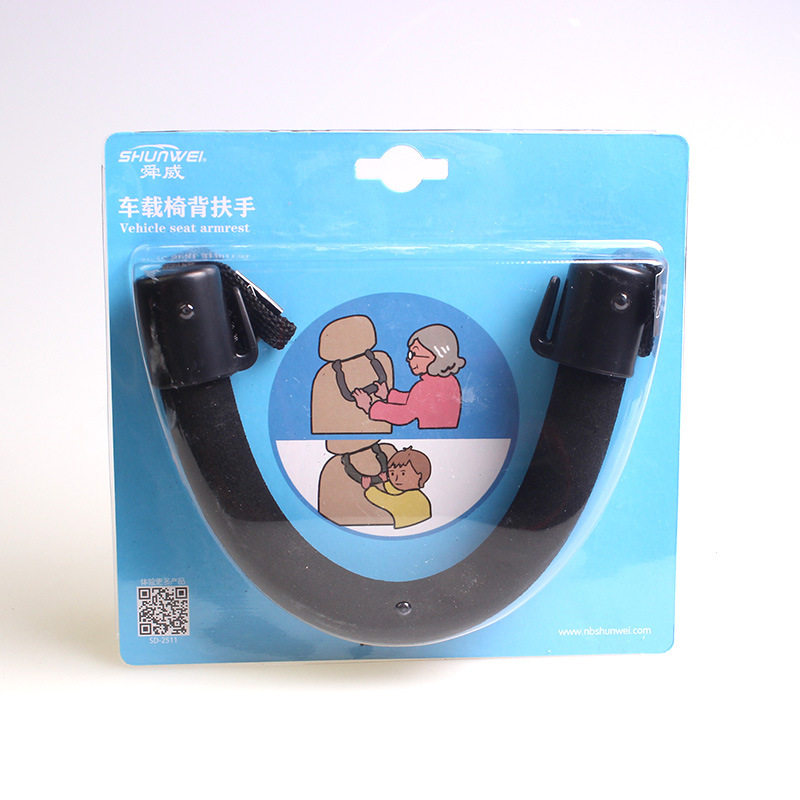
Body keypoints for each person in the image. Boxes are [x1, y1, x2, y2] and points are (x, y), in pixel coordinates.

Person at [352, 324, 465, 429]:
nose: (408, 359)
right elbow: (416, 401)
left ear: (435, 356)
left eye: (413, 354)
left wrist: (369, 406)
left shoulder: (424, 386)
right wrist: (388, 395)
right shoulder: (449, 381)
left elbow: (404, 415)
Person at [359, 447, 432, 529]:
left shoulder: (413, 498)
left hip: (410, 529)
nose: (396, 479)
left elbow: (387, 501)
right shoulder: (414, 493)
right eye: (392, 474)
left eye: (403, 474)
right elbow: (396, 492)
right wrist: (386, 481)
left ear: (419, 475)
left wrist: (369, 489)